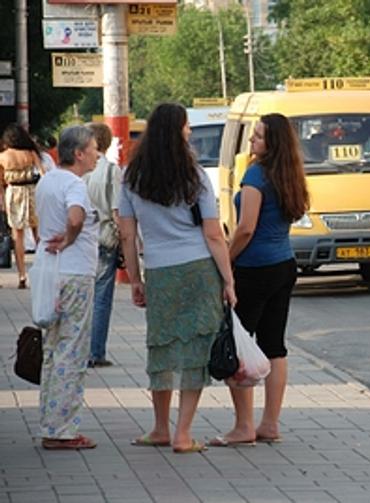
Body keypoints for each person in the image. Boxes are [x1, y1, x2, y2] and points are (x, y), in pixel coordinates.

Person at [118, 103, 236, 453]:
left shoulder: (131, 177)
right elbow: (214, 234)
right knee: (195, 348)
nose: (189, 132)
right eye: (186, 126)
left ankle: (159, 428)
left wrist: (135, 280)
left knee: (163, 345)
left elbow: (127, 234)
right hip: (199, 269)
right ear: (178, 130)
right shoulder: (195, 175)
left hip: (159, 270)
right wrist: (228, 280)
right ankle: (183, 433)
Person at [211, 113, 309, 447]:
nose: (251, 141)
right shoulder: (289, 175)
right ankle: (270, 424)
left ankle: (243, 426)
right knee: (274, 346)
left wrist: (228, 257)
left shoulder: (255, 175)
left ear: (273, 143)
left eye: (258, 136)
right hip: (284, 264)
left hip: (254, 268)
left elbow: (247, 227)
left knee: (238, 343)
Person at [35, 125, 100, 450]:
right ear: (78, 153)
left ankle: (49, 420)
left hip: (52, 274)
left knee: (54, 348)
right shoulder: (75, 184)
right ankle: (63, 429)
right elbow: (75, 218)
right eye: (93, 149)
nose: (97, 154)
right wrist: (71, 237)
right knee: (72, 351)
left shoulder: (47, 180)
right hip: (76, 273)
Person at [83, 123, 121, 368]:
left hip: (81, 237)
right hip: (105, 236)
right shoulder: (111, 171)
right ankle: (96, 351)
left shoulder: (79, 171)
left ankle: (80, 349)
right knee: (102, 297)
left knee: (83, 296)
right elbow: (118, 211)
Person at [0, 124, 44, 288]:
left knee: (17, 235)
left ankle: (22, 275)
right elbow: (43, 173)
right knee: (37, 232)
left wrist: (3, 201)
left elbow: (1, 182)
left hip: (13, 193)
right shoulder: (31, 153)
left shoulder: (3, 157)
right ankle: (43, 268)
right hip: (31, 192)